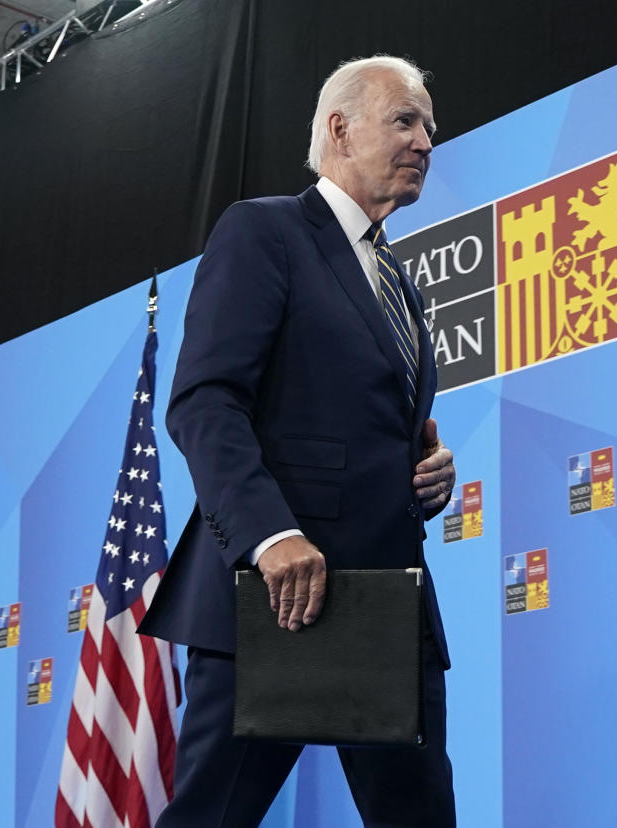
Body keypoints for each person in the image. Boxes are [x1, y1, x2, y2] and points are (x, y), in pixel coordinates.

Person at [138, 55, 457, 827]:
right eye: (405, 120)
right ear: (340, 129)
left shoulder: (400, 282)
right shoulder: (265, 230)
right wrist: (269, 535)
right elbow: (205, 402)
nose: (424, 142)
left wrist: (426, 469)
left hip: (387, 599)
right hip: (276, 597)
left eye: (429, 129)